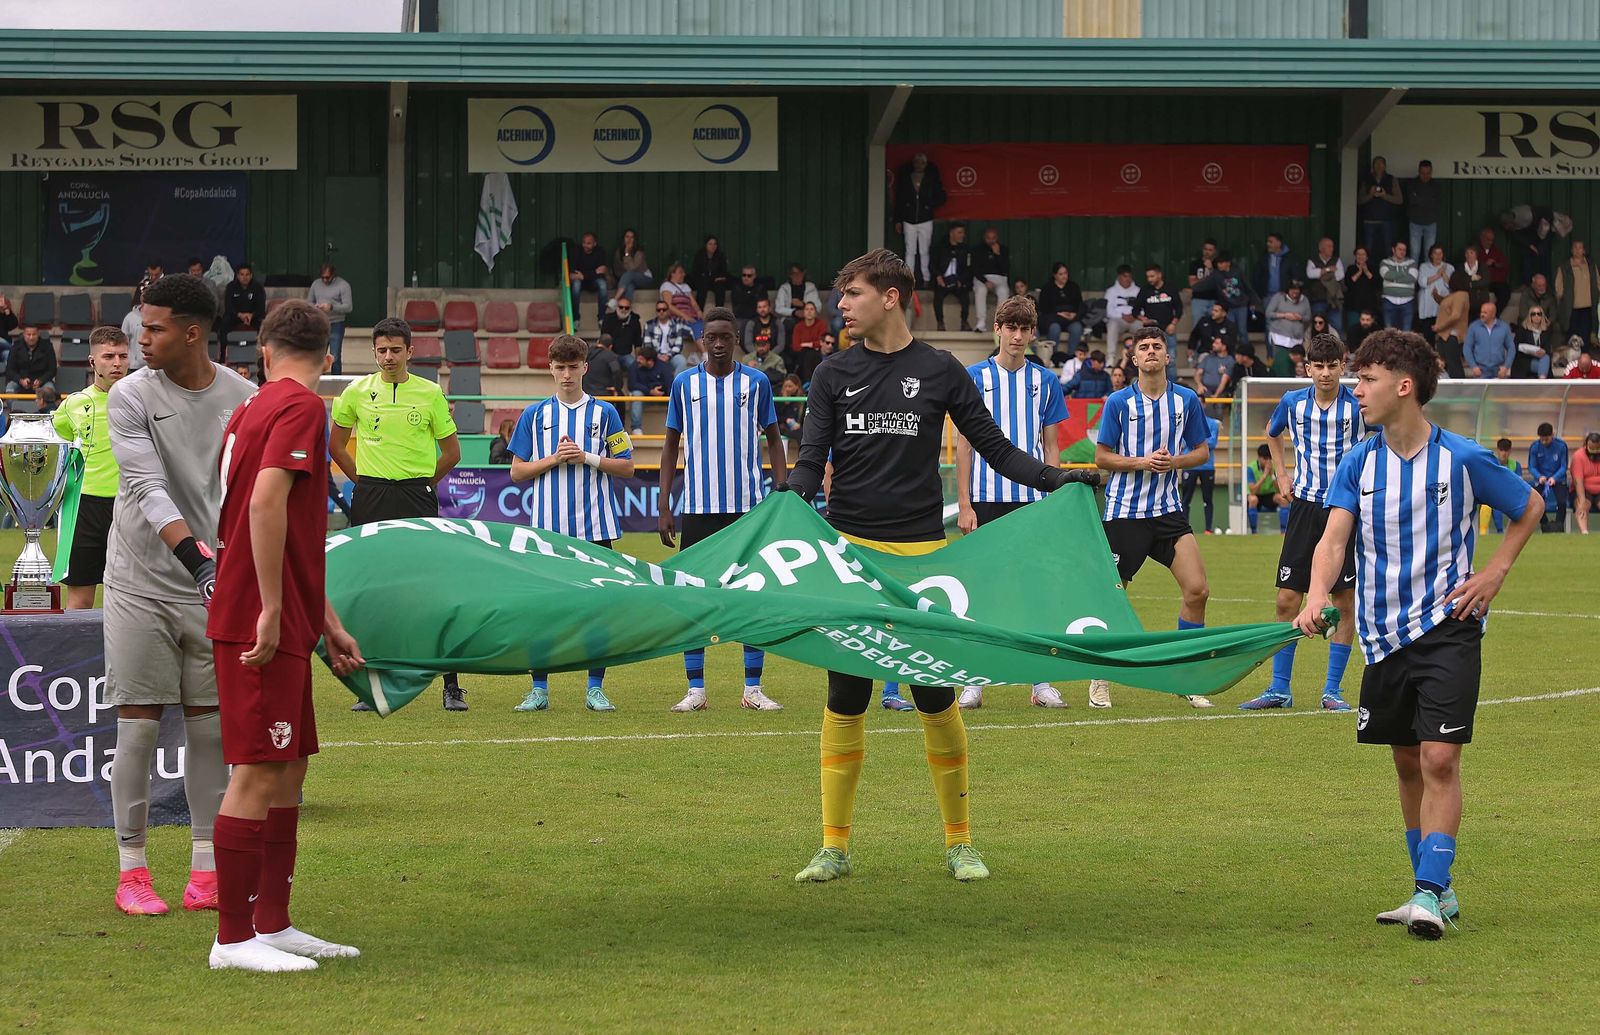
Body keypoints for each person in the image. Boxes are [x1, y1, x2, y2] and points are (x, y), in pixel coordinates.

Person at [783, 248, 1096, 885]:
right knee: (847, 695)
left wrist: (1055, 476)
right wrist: (777, 513)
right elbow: (810, 466)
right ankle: (833, 847)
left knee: (934, 695)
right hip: (854, 564)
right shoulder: (831, 373)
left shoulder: (941, 370)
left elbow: (999, 451)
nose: (841, 305)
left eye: (854, 293)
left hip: (924, 561)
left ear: (890, 298)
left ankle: (960, 843)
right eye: (841, 295)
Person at [1292, 328, 1542, 941]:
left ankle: (1428, 893)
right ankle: (1434, 887)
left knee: (1438, 756)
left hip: (1448, 629)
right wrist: (1318, 595)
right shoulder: (1359, 462)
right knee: (1406, 761)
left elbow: (1529, 505)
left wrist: (1495, 572)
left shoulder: (1461, 457)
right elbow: (1331, 540)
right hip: (1380, 636)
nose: (1356, 391)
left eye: (1367, 379)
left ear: (1404, 387)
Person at [203, 298, 364, 972]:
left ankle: (273, 921)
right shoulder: (302, 408)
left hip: (284, 613)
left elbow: (257, 518)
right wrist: (271, 608)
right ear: (330, 360)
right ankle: (233, 938)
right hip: (258, 616)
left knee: (289, 766)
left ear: (263, 351)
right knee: (258, 770)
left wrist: (322, 617)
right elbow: (266, 503)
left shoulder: (248, 409)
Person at [102, 274, 256, 919]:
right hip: (142, 579)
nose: (141, 338)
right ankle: (132, 869)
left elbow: (250, 497)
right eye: (141, 325)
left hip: (211, 586)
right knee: (137, 727)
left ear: (192, 332)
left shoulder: (245, 398)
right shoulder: (129, 395)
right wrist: (201, 564)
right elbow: (144, 487)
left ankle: (205, 868)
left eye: (155, 327)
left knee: (208, 728)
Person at [329, 316, 464, 711]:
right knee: (368, 590)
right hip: (370, 496)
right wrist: (363, 481)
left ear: (410, 351)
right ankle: (368, 685)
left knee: (434, 587)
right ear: (374, 352)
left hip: (416, 495)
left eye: (395, 350)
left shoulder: (430, 393)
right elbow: (336, 445)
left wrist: (425, 484)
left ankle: (451, 686)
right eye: (382, 350)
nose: (388, 357)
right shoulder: (355, 391)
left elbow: (452, 452)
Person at [658, 307, 789, 713]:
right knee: (694, 596)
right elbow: (668, 445)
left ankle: (752, 688)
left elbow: (773, 437)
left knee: (752, 595)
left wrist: (783, 491)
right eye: (711, 337)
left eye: (725, 337)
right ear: (701, 341)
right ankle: (696, 689)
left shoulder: (757, 382)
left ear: (736, 339)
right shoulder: (683, 384)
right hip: (697, 507)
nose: (718, 343)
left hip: (748, 508)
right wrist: (664, 503)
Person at [953, 295, 1071, 710]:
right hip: (985, 498)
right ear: (997, 329)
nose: (1018, 336)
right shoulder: (973, 378)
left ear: (1033, 333)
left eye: (1025, 329)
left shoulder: (1046, 382)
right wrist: (964, 503)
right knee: (979, 590)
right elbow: (963, 447)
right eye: (1011, 328)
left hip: (1032, 501)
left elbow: (1052, 447)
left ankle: (1040, 682)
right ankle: (973, 680)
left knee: (1035, 590)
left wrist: (1053, 500)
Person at [1089, 327, 1215, 710]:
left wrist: (1173, 462)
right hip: (1125, 513)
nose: (1150, 352)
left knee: (1198, 590)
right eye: (1143, 348)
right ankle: (1100, 679)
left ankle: (1184, 675)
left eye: (1156, 346)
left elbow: (1202, 452)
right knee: (1113, 598)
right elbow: (1102, 457)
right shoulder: (1119, 403)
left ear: (1167, 356)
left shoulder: (1186, 400)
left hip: (1168, 513)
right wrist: (1142, 462)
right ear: (1134, 359)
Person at [507, 335, 635, 712]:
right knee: (541, 610)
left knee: (597, 610)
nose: (566, 374)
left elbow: (626, 465)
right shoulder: (535, 415)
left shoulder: (605, 413)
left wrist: (587, 458)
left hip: (595, 528)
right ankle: (540, 690)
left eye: (572, 366)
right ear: (550, 368)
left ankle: (595, 688)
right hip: (547, 530)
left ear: (584, 367)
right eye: (559, 367)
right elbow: (517, 471)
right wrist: (554, 459)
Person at [1241, 332, 1367, 712]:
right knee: (1286, 599)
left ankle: (1333, 690)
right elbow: (1272, 433)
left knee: (1344, 601)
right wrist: (1281, 474)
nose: (1325, 373)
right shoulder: (1293, 403)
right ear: (1307, 367)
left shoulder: (1358, 407)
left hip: (1344, 510)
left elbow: (1385, 441)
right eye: (1319, 366)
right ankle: (1280, 689)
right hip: (1305, 507)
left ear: (1343, 367)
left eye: (1333, 366)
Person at [50, 327, 128, 609]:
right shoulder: (73, 404)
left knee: (128, 599)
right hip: (83, 506)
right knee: (80, 598)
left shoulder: (143, 399)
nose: (117, 363)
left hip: (129, 505)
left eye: (122, 355)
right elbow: (58, 441)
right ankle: (76, 655)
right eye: (108, 356)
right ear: (93, 362)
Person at [892, 152, 945, 286]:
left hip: (925, 218)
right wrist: (898, 219)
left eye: (922, 163)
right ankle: (909, 278)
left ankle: (926, 278)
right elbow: (899, 199)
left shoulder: (931, 177)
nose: (919, 165)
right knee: (910, 250)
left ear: (926, 165)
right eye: (916, 162)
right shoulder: (906, 177)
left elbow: (941, 196)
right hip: (908, 219)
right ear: (913, 163)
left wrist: (928, 204)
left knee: (924, 250)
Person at [1193, 253, 1258, 348]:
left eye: (1221, 263)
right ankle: (1230, 352)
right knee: (1228, 330)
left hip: (1241, 306)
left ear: (1228, 263)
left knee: (1242, 331)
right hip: (1228, 308)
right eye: (1218, 263)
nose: (1219, 265)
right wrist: (1193, 289)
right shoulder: (1216, 274)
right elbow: (1205, 283)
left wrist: (1253, 301)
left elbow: (1247, 287)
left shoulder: (1238, 272)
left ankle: (1246, 352)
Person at [304, 263, 352, 374]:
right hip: (319, 323)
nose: (325, 280)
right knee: (318, 354)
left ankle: (336, 381)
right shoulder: (316, 284)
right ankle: (318, 379)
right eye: (323, 277)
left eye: (327, 277)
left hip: (336, 323)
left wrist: (331, 307)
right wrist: (315, 307)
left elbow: (348, 307)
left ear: (333, 275)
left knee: (335, 356)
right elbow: (309, 302)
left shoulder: (343, 285)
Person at [1554, 239, 1599, 349]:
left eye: (1580, 247)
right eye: (1575, 247)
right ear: (1571, 250)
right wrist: (1563, 301)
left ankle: (1584, 360)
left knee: (1585, 337)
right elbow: (1558, 287)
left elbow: (1598, 282)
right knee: (1572, 337)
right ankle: (1572, 363)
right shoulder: (1565, 267)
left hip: (1588, 307)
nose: (1577, 250)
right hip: (1571, 308)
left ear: (1584, 250)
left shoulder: (1591, 265)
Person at [1180, 413, 1221, 534]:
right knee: (1185, 499)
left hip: (1207, 466)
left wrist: (1193, 440)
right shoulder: (1185, 421)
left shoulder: (1213, 423)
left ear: (1203, 404)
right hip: (1189, 464)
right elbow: (1182, 442)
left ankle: (1208, 529)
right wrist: (1201, 441)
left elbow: (1212, 443)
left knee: (1208, 499)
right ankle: (1184, 529)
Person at [930, 224, 973, 332]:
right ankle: (940, 322)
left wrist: (961, 280)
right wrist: (938, 276)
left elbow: (968, 268)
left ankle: (964, 321)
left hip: (957, 280)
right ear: (951, 233)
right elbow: (932, 264)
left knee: (965, 296)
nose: (962, 235)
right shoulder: (940, 247)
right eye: (959, 232)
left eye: (963, 233)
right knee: (938, 297)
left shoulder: (965, 249)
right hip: (943, 280)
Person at [1037, 262, 1084, 360]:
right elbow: (1044, 308)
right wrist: (1059, 313)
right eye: (1061, 274)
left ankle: (1072, 357)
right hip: (1054, 319)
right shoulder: (1047, 288)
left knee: (1077, 328)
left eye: (1065, 273)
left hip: (1071, 319)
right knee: (1054, 328)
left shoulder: (1073, 287)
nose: (1064, 276)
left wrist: (1073, 314)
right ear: (1055, 275)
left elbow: (1079, 305)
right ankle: (1053, 356)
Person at [1358, 155, 1402, 259]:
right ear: (1373, 166)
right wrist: (1371, 194)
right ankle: (1367, 273)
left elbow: (1399, 200)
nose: (1379, 166)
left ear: (1385, 166)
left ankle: (1389, 273)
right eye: (1376, 164)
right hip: (1369, 220)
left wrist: (1384, 195)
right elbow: (1360, 200)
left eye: (1381, 164)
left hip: (1386, 220)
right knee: (1368, 250)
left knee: (1388, 249)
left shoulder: (1392, 179)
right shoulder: (1366, 179)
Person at [1528, 422, 1569, 532]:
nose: (1544, 442)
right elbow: (1531, 467)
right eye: (1542, 439)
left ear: (1553, 435)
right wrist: (1539, 476)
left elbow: (1564, 466)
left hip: (1558, 479)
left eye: (1547, 439)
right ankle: (1545, 525)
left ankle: (1559, 525)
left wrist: (1554, 478)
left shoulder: (1561, 446)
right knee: (1535, 502)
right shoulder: (1535, 447)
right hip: (1541, 480)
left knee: (1562, 502)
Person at [1133, 263, 1182, 353]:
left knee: (1170, 359)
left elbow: (1179, 308)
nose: (1149, 279)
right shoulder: (1145, 290)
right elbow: (1135, 310)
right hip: (1150, 331)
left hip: (1168, 329)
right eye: (1148, 277)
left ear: (1159, 274)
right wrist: (1143, 319)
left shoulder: (1170, 288)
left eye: (1152, 276)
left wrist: (1173, 324)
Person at [970, 227, 1010, 332]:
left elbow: (1005, 269)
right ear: (984, 238)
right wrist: (985, 281)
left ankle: (1000, 323)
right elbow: (974, 268)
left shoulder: (1003, 249)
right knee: (981, 290)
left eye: (993, 238)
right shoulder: (978, 249)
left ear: (997, 238)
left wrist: (998, 254)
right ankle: (981, 323)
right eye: (988, 238)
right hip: (983, 278)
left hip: (1000, 278)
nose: (991, 240)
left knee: (1003, 291)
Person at [568, 232, 611, 324]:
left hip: (593, 282)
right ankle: (575, 318)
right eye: (584, 242)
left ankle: (601, 318)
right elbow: (573, 273)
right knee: (576, 284)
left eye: (589, 243)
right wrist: (593, 273)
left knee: (602, 284)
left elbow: (601, 272)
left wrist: (584, 275)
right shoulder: (576, 251)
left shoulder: (600, 252)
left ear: (594, 244)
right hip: (581, 282)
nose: (585, 245)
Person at [1304, 236, 1345, 332]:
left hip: (1334, 299)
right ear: (1321, 248)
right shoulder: (1312, 260)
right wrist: (1329, 270)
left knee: (1336, 326)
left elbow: (1340, 275)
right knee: (1318, 326)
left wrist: (1321, 273)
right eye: (1328, 246)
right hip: (1318, 299)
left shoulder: (1336, 260)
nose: (1331, 249)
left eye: (1332, 246)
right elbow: (1310, 274)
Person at [1463, 300, 1514, 379]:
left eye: (1485, 313)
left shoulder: (1504, 327)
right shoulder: (1473, 327)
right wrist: (1473, 366)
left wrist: (1506, 367)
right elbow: (1467, 348)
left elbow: (1511, 348)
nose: (1482, 314)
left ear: (1493, 314)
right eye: (1481, 312)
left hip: (1499, 370)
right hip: (1480, 371)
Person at [628, 344, 672, 433]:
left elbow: (670, 384)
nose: (638, 361)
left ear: (650, 361)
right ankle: (636, 428)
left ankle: (675, 429)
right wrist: (650, 391)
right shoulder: (634, 366)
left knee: (675, 397)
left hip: (663, 398)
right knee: (636, 393)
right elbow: (632, 385)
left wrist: (661, 391)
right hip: (645, 397)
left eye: (641, 359)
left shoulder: (664, 367)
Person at [1485, 437, 1526, 534]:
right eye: (1502, 450)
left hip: (1511, 494)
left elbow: (1519, 482)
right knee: (1496, 504)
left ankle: (1517, 531)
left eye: (1506, 450)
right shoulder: (1492, 463)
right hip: (1496, 494)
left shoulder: (1516, 465)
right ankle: (1500, 531)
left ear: (1510, 451)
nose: (1504, 453)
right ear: (1498, 450)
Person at [221, 263, 266, 349]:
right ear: (237, 275)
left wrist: (251, 315)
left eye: (247, 274)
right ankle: (223, 355)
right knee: (225, 322)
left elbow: (261, 307)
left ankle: (261, 355)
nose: (244, 277)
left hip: (253, 317)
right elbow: (228, 306)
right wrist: (239, 315)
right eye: (242, 274)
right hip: (236, 316)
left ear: (251, 275)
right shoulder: (231, 287)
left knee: (264, 324)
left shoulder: (258, 287)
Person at [1414, 244, 1454, 343]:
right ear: (1431, 255)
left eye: (1440, 253)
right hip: (1427, 308)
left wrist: (1444, 273)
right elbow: (1422, 283)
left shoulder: (1449, 267)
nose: (1438, 256)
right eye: (1435, 253)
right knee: (1428, 337)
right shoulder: (1424, 266)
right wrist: (1438, 275)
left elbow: (1452, 285)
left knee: (1444, 338)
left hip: (1442, 308)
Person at [642, 299, 692, 374]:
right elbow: (647, 345)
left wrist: (668, 356)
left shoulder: (677, 325)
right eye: (659, 310)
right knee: (649, 361)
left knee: (682, 361)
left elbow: (678, 346)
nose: (661, 312)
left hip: (671, 356)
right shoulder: (649, 325)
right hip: (655, 356)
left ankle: (676, 385)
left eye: (664, 309)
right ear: (656, 311)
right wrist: (658, 356)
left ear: (668, 311)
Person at [1102, 265, 1142, 357]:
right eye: (1125, 276)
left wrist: (1135, 315)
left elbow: (1143, 309)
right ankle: (1111, 357)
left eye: (1129, 276)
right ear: (1119, 277)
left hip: (1135, 319)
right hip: (1119, 320)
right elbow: (1108, 311)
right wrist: (1122, 316)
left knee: (1143, 328)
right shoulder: (1111, 291)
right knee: (1112, 324)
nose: (1127, 279)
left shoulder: (1139, 291)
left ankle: (1140, 357)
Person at [1406, 160, 1441, 264]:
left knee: (1429, 253)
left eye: (1428, 173)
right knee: (1415, 253)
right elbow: (1412, 200)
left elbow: (1437, 203)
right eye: (1423, 173)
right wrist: (1428, 200)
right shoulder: (1412, 184)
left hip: (1431, 223)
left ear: (1431, 172)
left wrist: (1419, 199)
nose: (1425, 176)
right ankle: (1413, 278)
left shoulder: (1436, 185)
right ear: (1418, 171)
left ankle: (1427, 278)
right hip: (1415, 223)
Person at [1265, 279, 1311, 357]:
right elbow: (1268, 314)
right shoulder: (1278, 297)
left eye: (1297, 290)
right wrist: (1285, 315)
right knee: (1280, 360)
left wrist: (1300, 317)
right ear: (1288, 290)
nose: (1295, 292)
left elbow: (1308, 317)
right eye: (1292, 289)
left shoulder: (1304, 300)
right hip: (1279, 337)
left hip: (1296, 338)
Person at [1243, 443, 1282, 534]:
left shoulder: (1274, 467)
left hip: (1269, 495)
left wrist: (1272, 475)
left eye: (1269, 458)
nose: (1268, 461)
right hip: (1256, 494)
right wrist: (1264, 475)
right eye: (1265, 458)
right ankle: (1254, 531)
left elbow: (1279, 490)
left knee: (1282, 499)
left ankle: (1283, 531)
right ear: (1259, 457)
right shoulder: (1251, 468)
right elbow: (1252, 491)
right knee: (1253, 499)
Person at [1343, 247, 1382, 338]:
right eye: (1358, 254)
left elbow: (1378, 284)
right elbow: (1348, 283)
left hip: (1370, 307)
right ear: (1355, 256)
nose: (1360, 256)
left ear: (1367, 257)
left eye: (1363, 254)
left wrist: (1366, 271)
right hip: (1353, 307)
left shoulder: (1373, 268)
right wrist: (1359, 272)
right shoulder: (1351, 268)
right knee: (1353, 332)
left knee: (1370, 335)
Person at [4, 325, 56, 392]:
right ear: (24, 335)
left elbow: (52, 370)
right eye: (28, 334)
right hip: (20, 381)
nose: (31, 337)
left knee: (50, 389)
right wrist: (20, 380)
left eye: (34, 334)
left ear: (38, 334)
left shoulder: (47, 347)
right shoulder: (15, 347)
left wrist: (41, 380)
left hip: (42, 381)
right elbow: (10, 370)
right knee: (10, 388)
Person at [608, 228, 653, 306]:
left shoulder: (639, 252)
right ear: (623, 239)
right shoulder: (618, 252)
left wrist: (627, 254)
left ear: (634, 240)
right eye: (627, 237)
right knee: (629, 286)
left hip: (644, 278)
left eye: (631, 237)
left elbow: (632, 268)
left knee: (629, 274)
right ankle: (626, 308)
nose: (629, 239)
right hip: (627, 280)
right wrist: (624, 278)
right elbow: (617, 270)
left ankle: (615, 299)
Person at [1380, 241, 1418, 330]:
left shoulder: (1411, 262)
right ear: (1393, 250)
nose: (1402, 252)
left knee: (1406, 333)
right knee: (1389, 333)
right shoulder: (1385, 262)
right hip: (1389, 300)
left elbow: (1412, 278)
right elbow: (1386, 275)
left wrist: (1393, 278)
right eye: (1400, 249)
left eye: (1404, 250)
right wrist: (1404, 272)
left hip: (1407, 301)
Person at [1513, 273, 1561, 342]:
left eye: (1544, 285)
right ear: (1533, 285)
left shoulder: (1550, 295)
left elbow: (1553, 314)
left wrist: (1545, 322)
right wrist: (1534, 322)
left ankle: (1547, 349)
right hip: (1529, 321)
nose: (1542, 288)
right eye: (1539, 286)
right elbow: (1523, 313)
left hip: (1544, 322)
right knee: (1522, 327)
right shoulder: (1526, 294)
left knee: (1553, 328)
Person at [1189, 300, 1237, 366]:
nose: (1213, 312)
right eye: (1213, 310)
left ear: (1224, 313)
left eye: (1216, 311)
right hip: (1205, 353)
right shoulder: (1204, 321)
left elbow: (1231, 344)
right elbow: (1194, 335)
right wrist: (1191, 348)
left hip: (1223, 355)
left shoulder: (1230, 326)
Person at [1513, 304, 1556, 378]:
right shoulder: (1523, 330)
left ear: (1542, 316)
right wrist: (1532, 351)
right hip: (1525, 361)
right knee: (1544, 363)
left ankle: (1541, 379)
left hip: (1541, 361)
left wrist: (1543, 352)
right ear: (1530, 316)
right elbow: (1515, 345)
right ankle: (1542, 382)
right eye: (1533, 314)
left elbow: (1548, 349)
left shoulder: (1546, 332)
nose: (1536, 316)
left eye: (1539, 314)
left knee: (1545, 358)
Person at [689, 235, 732, 309]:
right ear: (706, 245)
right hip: (703, 280)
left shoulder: (720, 256)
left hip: (716, 280)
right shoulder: (700, 255)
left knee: (720, 288)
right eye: (710, 244)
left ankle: (719, 311)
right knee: (701, 288)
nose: (713, 246)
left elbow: (724, 271)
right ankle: (699, 311)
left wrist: (720, 278)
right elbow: (696, 271)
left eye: (715, 244)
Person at [599, 296, 642, 369]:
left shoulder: (634, 321)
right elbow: (603, 341)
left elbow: (638, 343)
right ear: (616, 308)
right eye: (621, 307)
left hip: (626, 354)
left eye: (626, 308)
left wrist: (638, 360)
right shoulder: (608, 319)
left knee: (635, 368)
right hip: (611, 354)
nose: (623, 310)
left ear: (630, 309)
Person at [1252, 232, 1295, 303]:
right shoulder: (1264, 258)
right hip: (1267, 296)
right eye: (1267, 242)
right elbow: (1257, 276)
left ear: (1279, 243)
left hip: (1284, 296)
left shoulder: (1289, 258)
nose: (1268, 244)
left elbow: (1295, 276)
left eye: (1270, 242)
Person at [1186, 238, 1220, 328]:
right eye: (1205, 249)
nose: (1207, 252)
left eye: (1210, 250)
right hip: (1198, 299)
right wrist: (1207, 278)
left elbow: (1219, 282)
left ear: (1215, 251)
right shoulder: (1195, 264)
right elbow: (1192, 284)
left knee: (1213, 326)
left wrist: (1211, 269)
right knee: (1197, 325)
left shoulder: (1218, 264)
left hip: (1214, 299)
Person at [1194, 332, 1233, 410]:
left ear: (1224, 346)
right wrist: (1200, 385)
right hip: (1206, 389)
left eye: (1216, 343)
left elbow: (1224, 380)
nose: (1213, 344)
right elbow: (1198, 373)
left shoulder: (1230, 360)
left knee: (1219, 408)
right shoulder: (1208, 358)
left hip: (1222, 392)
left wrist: (1216, 395)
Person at [1571, 431, 1600, 535]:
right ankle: (1585, 533)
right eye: (1592, 449)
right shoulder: (1578, 456)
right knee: (1582, 506)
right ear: (1586, 445)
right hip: (1583, 489)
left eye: (1598, 449)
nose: (1595, 452)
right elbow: (1578, 482)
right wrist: (1582, 501)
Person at [1477, 227, 1512, 312]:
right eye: (1488, 239)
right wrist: (1485, 264)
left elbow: (1505, 266)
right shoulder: (1475, 250)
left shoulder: (1496, 251)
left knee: (1505, 292)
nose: (1490, 242)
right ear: (1482, 238)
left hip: (1496, 281)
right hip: (1481, 280)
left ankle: (1494, 314)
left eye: (1492, 240)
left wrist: (1495, 264)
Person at [775, 373, 805, 442]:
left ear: (797, 386)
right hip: (783, 426)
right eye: (785, 386)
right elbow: (777, 416)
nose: (787, 389)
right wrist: (786, 402)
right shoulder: (779, 398)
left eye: (790, 386)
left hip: (798, 426)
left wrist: (798, 424)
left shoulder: (802, 399)